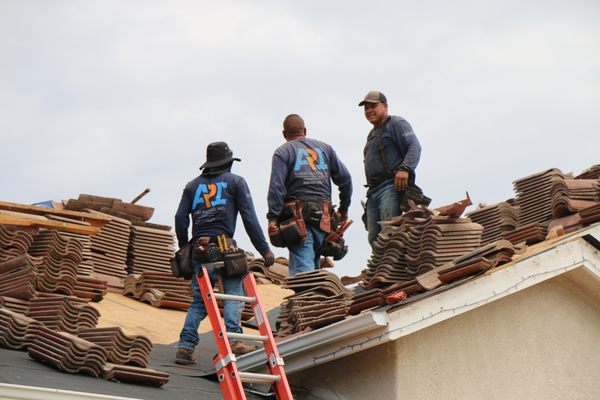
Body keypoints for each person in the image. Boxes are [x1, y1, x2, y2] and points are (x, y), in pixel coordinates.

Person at [174, 141, 275, 365]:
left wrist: (184, 248)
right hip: (225, 248)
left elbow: (180, 218)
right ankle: (235, 340)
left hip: (199, 251)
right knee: (233, 293)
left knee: (200, 302)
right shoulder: (235, 182)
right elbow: (249, 218)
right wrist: (264, 250)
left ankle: (185, 347)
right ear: (227, 163)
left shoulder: (192, 186)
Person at [267, 114, 352, 276]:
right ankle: (316, 298)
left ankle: (305, 299)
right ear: (305, 130)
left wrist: (273, 218)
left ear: (284, 134)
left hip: (298, 220)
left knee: (303, 272)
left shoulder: (283, 152)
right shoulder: (325, 149)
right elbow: (345, 179)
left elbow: (276, 188)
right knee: (314, 264)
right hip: (324, 219)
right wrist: (344, 209)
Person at [360, 90, 422, 246]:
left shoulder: (396, 124)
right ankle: (382, 269)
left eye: (373, 106)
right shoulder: (372, 134)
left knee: (389, 231)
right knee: (374, 237)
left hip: (390, 186)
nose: (369, 111)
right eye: (366, 108)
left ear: (385, 106)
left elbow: (414, 146)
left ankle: (397, 269)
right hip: (373, 191)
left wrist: (405, 169)